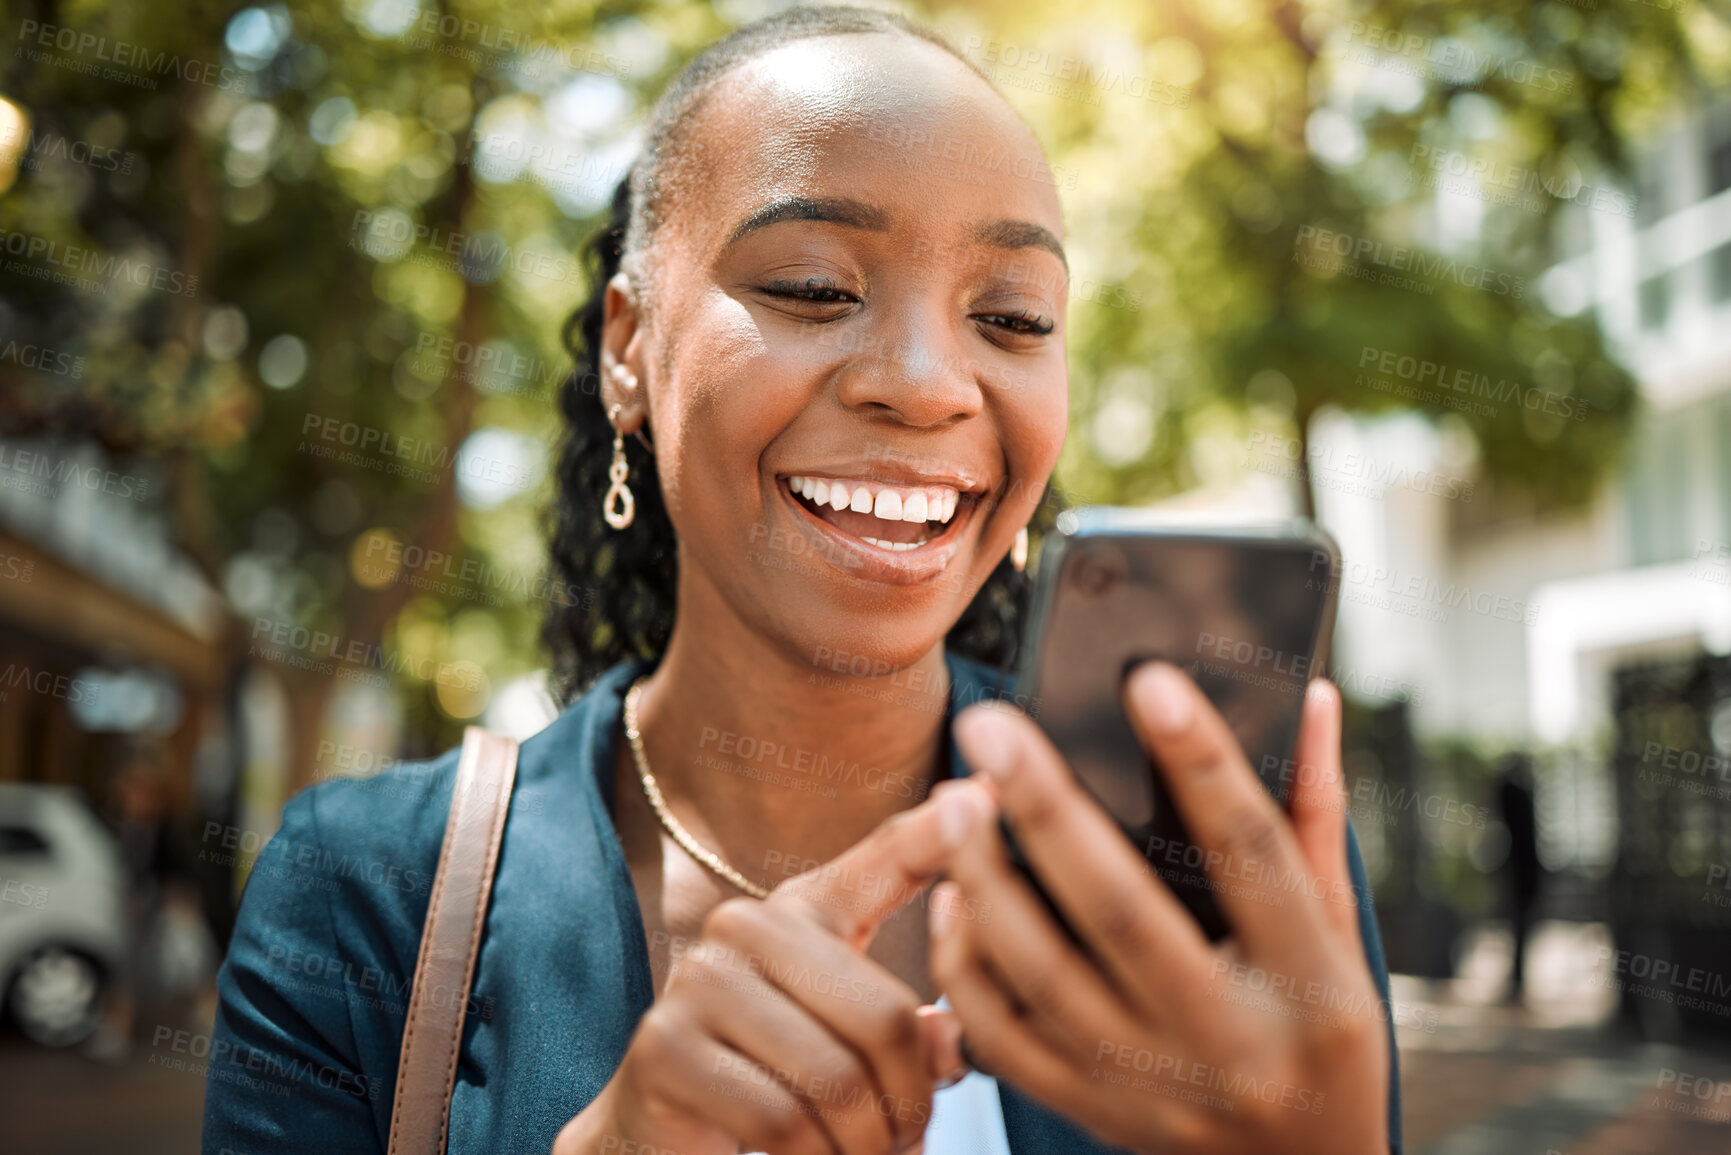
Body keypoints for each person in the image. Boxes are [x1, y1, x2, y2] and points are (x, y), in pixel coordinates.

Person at [202, 8, 1402, 1154]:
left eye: (1013, 315)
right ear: (630, 348)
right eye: (816, 289)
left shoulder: (1207, 870)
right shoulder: (361, 896)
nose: (928, 383)